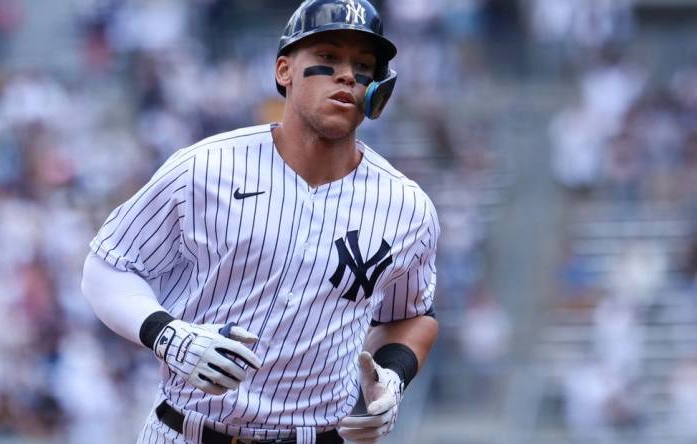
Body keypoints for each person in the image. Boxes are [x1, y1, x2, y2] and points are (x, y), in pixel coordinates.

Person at [80, 1, 440, 443]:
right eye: (327, 58)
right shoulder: (205, 167)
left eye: (363, 65)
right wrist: (167, 335)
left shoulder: (407, 207)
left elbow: (413, 315)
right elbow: (108, 265)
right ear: (284, 70)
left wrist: (392, 377)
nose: (347, 74)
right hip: (188, 430)